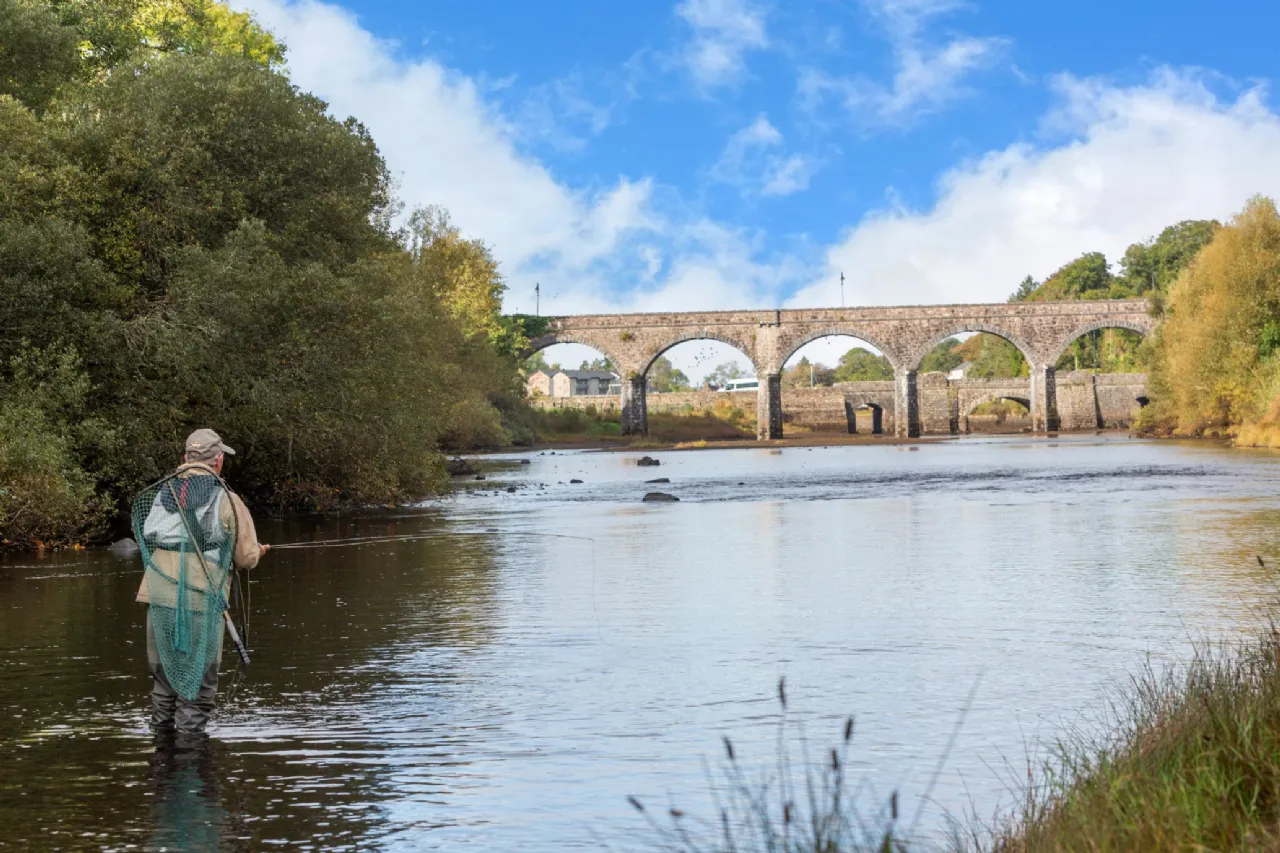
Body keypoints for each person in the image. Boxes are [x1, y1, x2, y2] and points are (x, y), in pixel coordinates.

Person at [135, 428, 269, 734]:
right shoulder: (227, 498)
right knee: (197, 690)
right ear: (218, 460)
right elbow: (246, 557)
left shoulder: (161, 493)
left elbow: (150, 533)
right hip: (200, 597)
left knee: (164, 686)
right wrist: (258, 551)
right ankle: (191, 765)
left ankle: (162, 766)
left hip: (157, 595)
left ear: (185, 458)